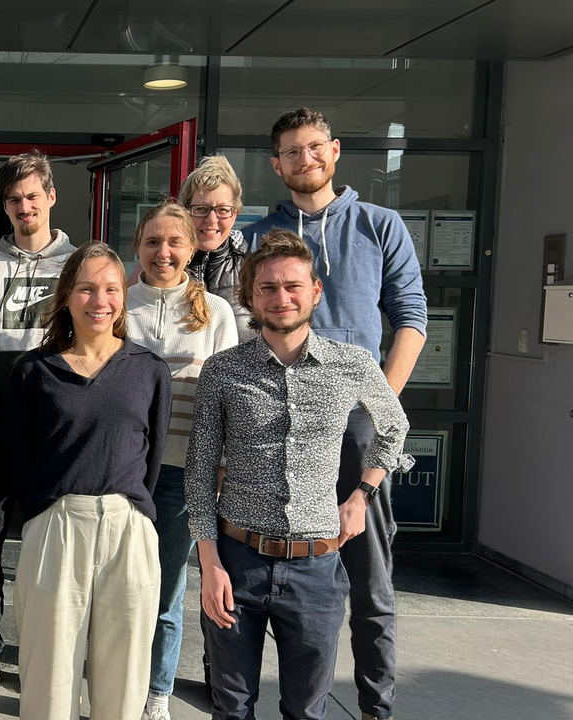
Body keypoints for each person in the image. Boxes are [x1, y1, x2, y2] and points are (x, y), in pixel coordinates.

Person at [243, 107, 427, 720]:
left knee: (370, 582)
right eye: (291, 152)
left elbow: (412, 320)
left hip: (356, 434)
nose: (305, 159)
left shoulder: (379, 225)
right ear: (277, 164)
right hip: (275, 433)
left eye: (314, 147)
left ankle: (376, 707)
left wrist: (380, 406)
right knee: (258, 581)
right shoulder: (259, 234)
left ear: (336, 150)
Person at [186, 229, 413, 720]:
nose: (281, 297)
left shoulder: (350, 364)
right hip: (235, 563)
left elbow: (394, 426)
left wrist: (361, 496)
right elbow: (200, 471)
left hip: (316, 568)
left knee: (306, 712)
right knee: (231, 708)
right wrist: (210, 565)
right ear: (250, 297)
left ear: (315, 291)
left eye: (292, 285)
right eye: (267, 287)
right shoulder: (224, 370)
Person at [5, 242, 171, 720]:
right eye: (87, 288)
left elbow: (152, 460)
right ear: (67, 296)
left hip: (128, 528)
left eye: (111, 289)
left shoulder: (148, 370)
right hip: (56, 525)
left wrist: (132, 512)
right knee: (48, 678)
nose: (100, 300)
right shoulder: (34, 371)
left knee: (123, 680)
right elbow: (16, 459)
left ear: (124, 296)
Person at [0, 149, 78, 703]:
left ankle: (57, 656)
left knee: (57, 544)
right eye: (14, 200)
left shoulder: (80, 267)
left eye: (33, 196)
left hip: (58, 424)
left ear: (51, 196)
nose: (24, 207)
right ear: (4, 207)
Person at [125, 203, 238, 720]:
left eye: (175, 242)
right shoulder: (118, 306)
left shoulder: (216, 314)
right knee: (119, 590)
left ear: (193, 248)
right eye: (152, 241)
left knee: (167, 592)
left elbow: (227, 404)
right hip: (122, 473)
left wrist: (218, 472)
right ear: (138, 246)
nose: (163, 252)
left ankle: (156, 693)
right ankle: (116, 682)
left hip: (180, 475)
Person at [177, 155, 256, 341]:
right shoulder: (164, 262)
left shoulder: (254, 264)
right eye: (201, 209)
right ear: (185, 211)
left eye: (222, 210)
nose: (212, 220)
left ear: (234, 215)